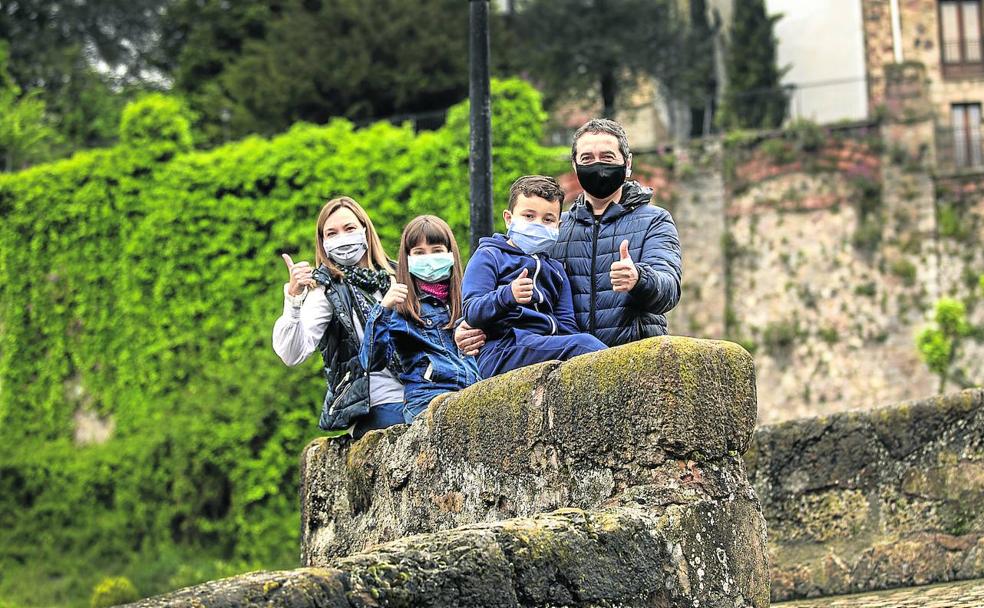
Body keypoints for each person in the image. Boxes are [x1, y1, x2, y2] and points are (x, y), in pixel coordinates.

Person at [456, 118, 682, 354]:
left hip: (634, 358)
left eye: (607, 157)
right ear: (575, 166)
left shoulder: (654, 220)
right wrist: (467, 328)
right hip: (567, 369)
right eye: (587, 159)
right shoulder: (553, 229)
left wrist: (639, 278)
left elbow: (669, 291)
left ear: (627, 163)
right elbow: (505, 287)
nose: (597, 166)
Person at [272, 196, 405, 438]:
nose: (342, 238)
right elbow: (292, 353)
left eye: (350, 228)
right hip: (376, 405)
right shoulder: (327, 288)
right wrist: (293, 298)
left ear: (365, 229)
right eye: (331, 233)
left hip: (421, 391)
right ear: (323, 243)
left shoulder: (397, 274)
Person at [461, 175, 607, 378]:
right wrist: (508, 295)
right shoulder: (489, 256)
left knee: (581, 343)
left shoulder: (556, 269)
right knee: (584, 344)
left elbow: (566, 325)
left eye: (548, 219)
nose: (538, 224)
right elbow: (471, 311)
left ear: (558, 225)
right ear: (508, 218)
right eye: (529, 216)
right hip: (503, 349)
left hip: (542, 346)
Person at [360, 215, 481, 423]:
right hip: (427, 400)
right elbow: (371, 361)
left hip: (470, 393)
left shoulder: (466, 301)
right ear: (407, 258)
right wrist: (382, 309)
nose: (429, 258)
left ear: (450, 254)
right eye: (419, 253)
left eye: (436, 251)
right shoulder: (403, 307)